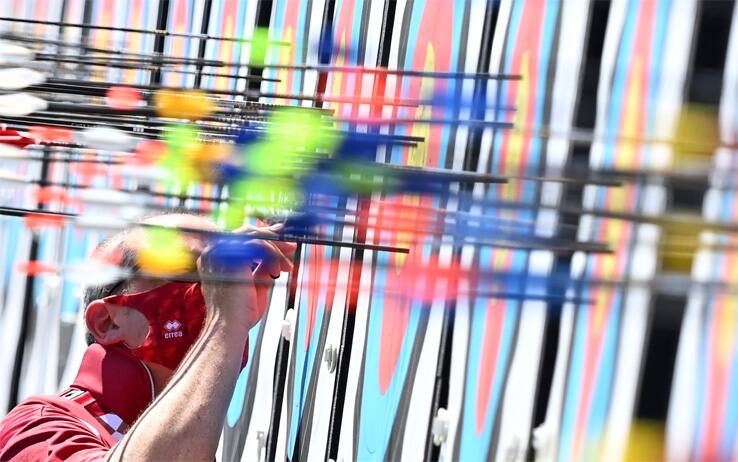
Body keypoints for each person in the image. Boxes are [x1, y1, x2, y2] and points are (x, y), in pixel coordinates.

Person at [0, 213, 295, 461]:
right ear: (108, 323)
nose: (221, 286)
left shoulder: (205, 436)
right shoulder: (36, 426)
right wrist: (224, 323)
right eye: (187, 267)